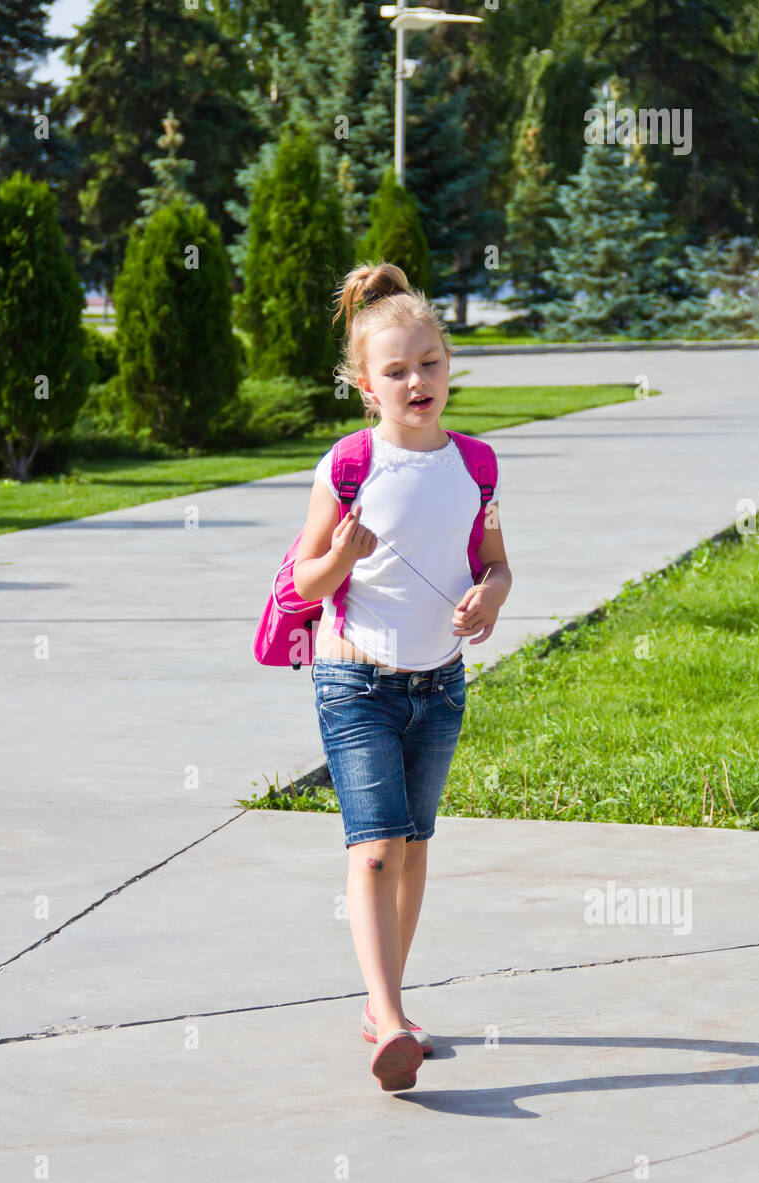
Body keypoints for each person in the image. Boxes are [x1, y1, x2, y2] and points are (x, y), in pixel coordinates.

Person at [293, 262, 512, 1092]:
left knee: (415, 850)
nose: (416, 380)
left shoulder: (478, 466)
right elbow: (301, 583)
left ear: (449, 364)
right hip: (356, 681)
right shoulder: (350, 465)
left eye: (430, 362)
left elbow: (496, 565)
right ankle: (387, 1020)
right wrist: (340, 556)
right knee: (377, 848)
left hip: (440, 683)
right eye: (395, 370)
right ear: (364, 385)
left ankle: (390, 1006)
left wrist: (488, 599)